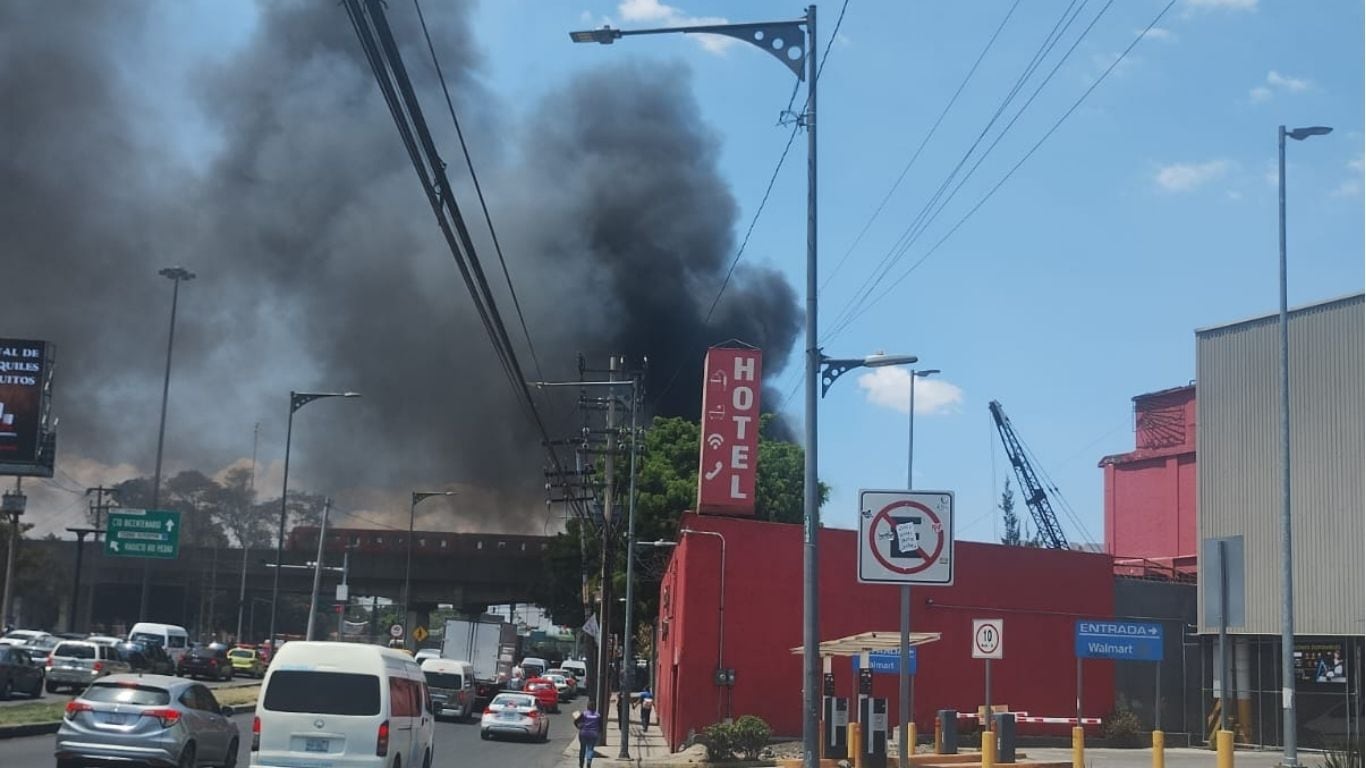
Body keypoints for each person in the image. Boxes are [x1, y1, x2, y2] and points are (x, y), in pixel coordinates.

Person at [576, 698, 602, 768]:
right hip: (593, 734)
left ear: (587, 706)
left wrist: (579, 727)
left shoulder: (584, 714)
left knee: (582, 749)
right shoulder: (598, 715)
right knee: (590, 749)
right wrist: (599, 733)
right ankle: (589, 762)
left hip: (583, 733)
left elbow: (576, 721)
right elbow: (600, 726)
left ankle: (581, 764)